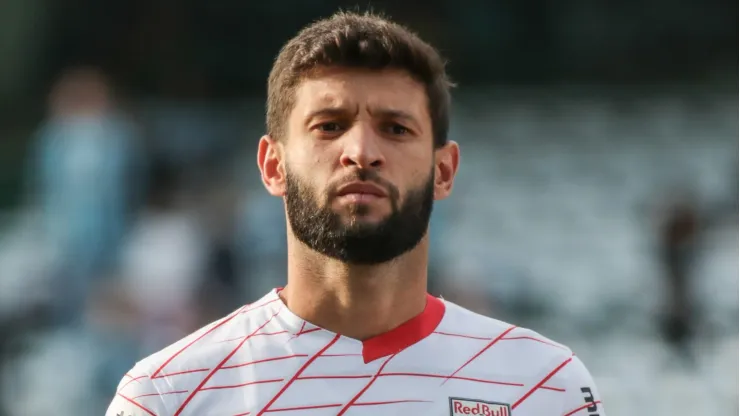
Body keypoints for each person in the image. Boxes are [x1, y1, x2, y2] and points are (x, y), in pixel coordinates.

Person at [106, 11, 606, 416]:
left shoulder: (543, 388)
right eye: (329, 125)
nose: (362, 151)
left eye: (395, 128)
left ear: (444, 171)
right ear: (272, 164)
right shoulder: (167, 396)